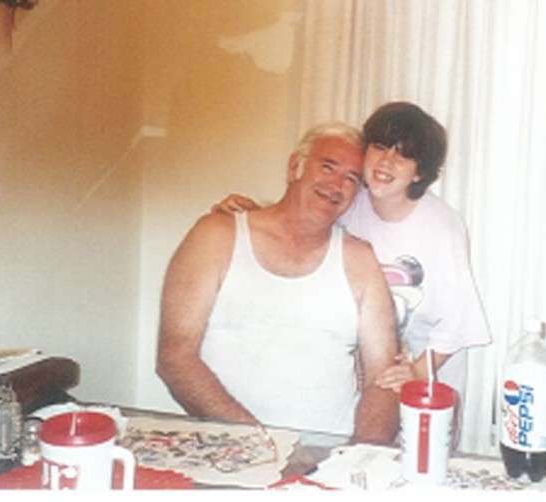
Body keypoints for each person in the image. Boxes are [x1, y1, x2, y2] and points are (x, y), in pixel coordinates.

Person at [213, 102, 492, 423]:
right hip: (369, 371)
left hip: (428, 377)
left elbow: (458, 319)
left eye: (403, 155)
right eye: (380, 147)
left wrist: (416, 371)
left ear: (419, 172)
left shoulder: (442, 225)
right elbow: (297, 225)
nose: (387, 161)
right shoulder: (351, 201)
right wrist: (250, 213)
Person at [156, 122, 399, 445]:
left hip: (328, 457)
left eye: (351, 179)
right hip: (229, 450)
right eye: (327, 167)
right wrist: (261, 446)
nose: (336, 185)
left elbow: (384, 379)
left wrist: (356, 459)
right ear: (294, 167)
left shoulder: (361, 260)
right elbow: (174, 358)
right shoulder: (216, 235)